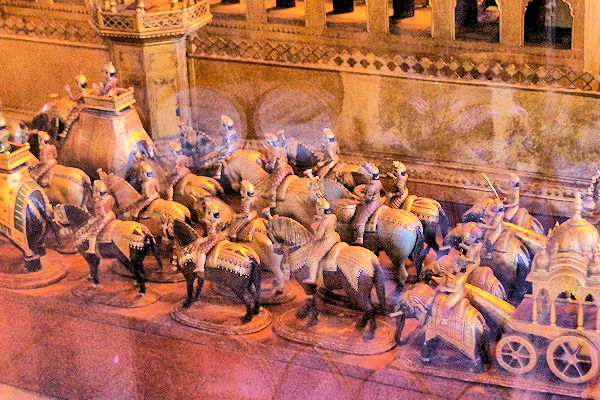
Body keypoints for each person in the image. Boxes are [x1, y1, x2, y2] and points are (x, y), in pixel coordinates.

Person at [304, 197, 340, 285]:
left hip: (327, 240)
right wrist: (320, 219)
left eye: (318, 209)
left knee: (313, 258)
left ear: (320, 210)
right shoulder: (333, 216)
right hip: (335, 236)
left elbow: (319, 236)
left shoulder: (324, 221)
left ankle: (312, 278)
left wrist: (314, 227)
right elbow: (334, 226)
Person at [77, 180, 116, 255]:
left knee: (94, 232)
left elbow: (102, 215)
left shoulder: (98, 204)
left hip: (104, 218)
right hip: (111, 214)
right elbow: (112, 206)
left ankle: (91, 249)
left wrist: (94, 220)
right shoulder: (110, 197)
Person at [353, 162, 384, 245]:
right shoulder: (378, 182)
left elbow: (367, 199)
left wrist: (356, 197)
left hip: (371, 204)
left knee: (361, 219)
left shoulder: (371, 187)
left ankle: (359, 238)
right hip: (379, 201)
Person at [264, 133, 293, 208]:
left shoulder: (274, 151)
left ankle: (272, 203)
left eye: (268, 142)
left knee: (273, 187)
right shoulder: (282, 149)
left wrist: (266, 166)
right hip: (288, 167)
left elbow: (272, 165)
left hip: (281, 170)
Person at [63, 73, 88, 138]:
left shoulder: (82, 93)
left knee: (69, 119)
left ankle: (65, 132)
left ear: (79, 84)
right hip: (78, 108)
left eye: (76, 84)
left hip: (79, 110)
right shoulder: (83, 91)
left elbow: (74, 99)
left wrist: (69, 91)